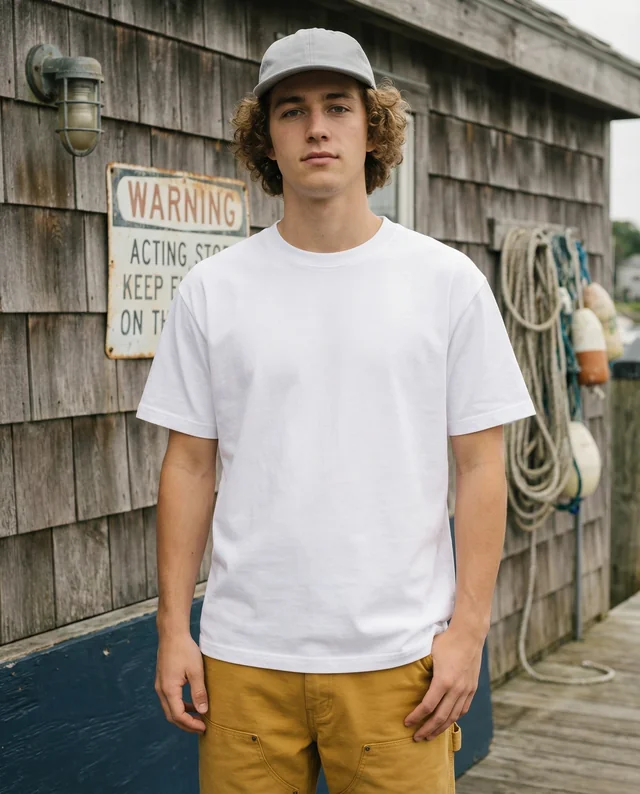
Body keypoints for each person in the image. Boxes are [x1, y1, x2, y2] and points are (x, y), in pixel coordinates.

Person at [136, 27, 536, 794]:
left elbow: (482, 466)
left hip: (399, 662)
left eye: (337, 106)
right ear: (267, 140)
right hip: (244, 658)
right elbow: (188, 466)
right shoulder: (213, 291)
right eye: (291, 111)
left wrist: (469, 632)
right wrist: (172, 627)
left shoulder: (445, 283)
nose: (316, 127)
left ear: (371, 128)